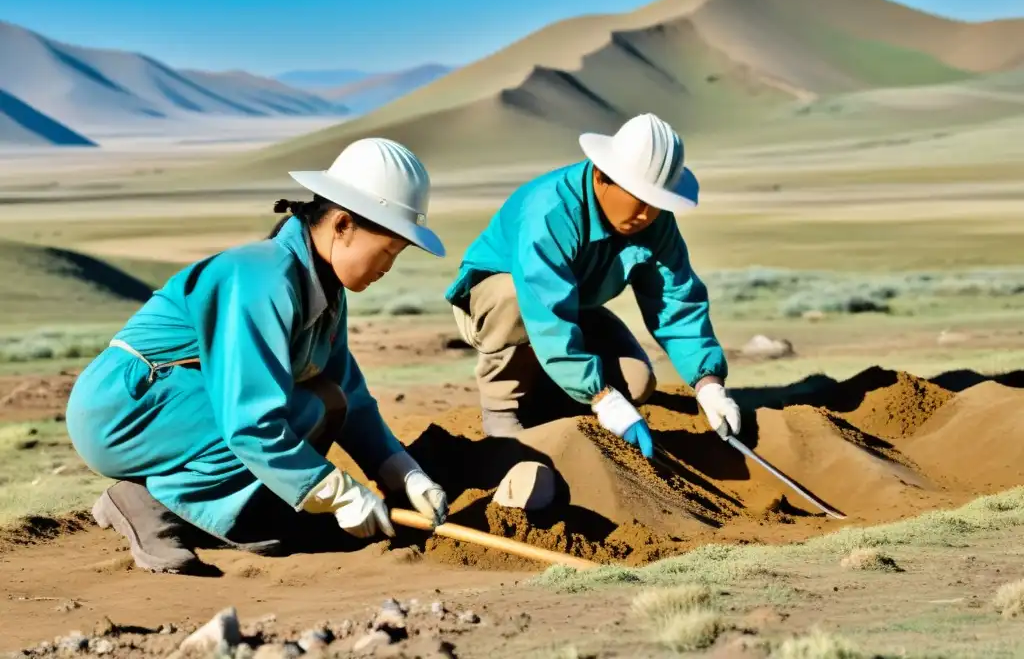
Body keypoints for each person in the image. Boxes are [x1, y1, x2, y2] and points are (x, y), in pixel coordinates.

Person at [66, 138, 449, 574]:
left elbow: (349, 396)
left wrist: (402, 471)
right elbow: (250, 420)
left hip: (180, 405)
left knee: (327, 401)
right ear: (342, 224)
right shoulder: (263, 278)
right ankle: (146, 502)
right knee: (298, 409)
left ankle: (240, 508)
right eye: (386, 252)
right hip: (125, 408)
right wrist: (336, 492)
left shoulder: (324, 291)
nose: (387, 268)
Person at [444, 113, 741, 457]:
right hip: (500, 307)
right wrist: (600, 396)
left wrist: (708, 383)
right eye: (639, 198)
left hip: (572, 307)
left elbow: (675, 299)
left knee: (636, 382)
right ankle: (503, 412)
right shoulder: (550, 210)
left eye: (657, 202)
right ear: (602, 177)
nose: (647, 214)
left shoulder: (655, 223)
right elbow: (544, 310)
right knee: (513, 297)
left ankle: (549, 402)